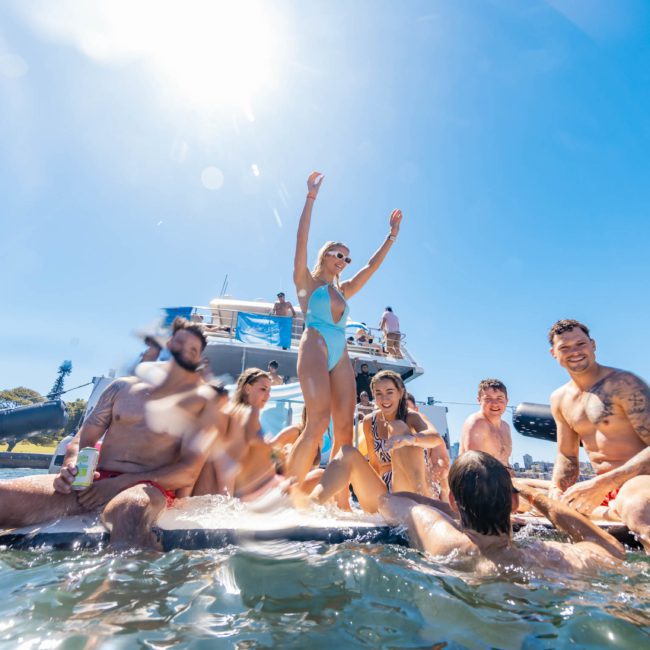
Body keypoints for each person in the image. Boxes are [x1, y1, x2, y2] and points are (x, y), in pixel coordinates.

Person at [0, 318, 227, 548]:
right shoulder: (121, 388)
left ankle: (117, 582)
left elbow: (187, 472)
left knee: (132, 509)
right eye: (180, 344)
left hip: (146, 488)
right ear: (169, 344)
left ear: (197, 359)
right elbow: (82, 439)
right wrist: (70, 468)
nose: (184, 352)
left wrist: (121, 483)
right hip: (92, 485)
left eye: (193, 350)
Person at [287, 171, 403, 486]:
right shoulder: (306, 283)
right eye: (338, 254)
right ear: (324, 255)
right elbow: (302, 239)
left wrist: (391, 236)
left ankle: (338, 497)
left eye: (346, 258)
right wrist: (310, 198)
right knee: (317, 422)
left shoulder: (344, 289)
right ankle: (289, 493)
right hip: (314, 345)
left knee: (344, 429)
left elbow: (371, 267)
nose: (343, 260)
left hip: (341, 354)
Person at [379, 451, 625, 574]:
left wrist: (452, 508)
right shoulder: (547, 558)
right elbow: (612, 549)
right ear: (514, 503)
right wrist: (532, 494)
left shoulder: (440, 539)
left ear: (455, 502)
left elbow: (389, 500)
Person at [547, 319, 650, 551]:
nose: (574, 352)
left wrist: (605, 484)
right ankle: (610, 512)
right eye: (565, 347)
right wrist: (556, 488)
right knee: (524, 498)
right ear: (554, 353)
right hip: (600, 488)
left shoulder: (624, 384)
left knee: (635, 507)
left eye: (580, 344)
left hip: (640, 481)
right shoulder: (560, 399)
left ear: (593, 345)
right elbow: (566, 455)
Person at [301, 370, 445, 513]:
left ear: (400, 393)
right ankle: (311, 505)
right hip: (385, 496)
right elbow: (375, 464)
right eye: (379, 394)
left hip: (412, 493)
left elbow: (435, 437)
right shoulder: (370, 422)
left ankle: (423, 506)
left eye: (390, 392)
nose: (384, 399)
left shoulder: (412, 417)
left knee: (398, 426)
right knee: (347, 451)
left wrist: (409, 439)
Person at [187, 368, 284, 500]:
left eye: (269, 391)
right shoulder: (242, 415)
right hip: (232, 495)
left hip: (231, 494)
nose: (267, 395)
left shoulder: (236, 414)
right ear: (247, 388)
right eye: (263, 389)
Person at [406, 392, 450, 502]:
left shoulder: (430, 436)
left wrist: (434, 471)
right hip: (398, 483)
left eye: (406, 408)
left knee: (443, 475)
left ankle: (447, 506)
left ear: (416, 410)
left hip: (425, 485)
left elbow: (442, 463)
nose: (403, 413)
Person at [459, 379, 512, 468]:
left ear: (507, 401)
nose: (495, 404)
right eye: (488, 399)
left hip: (500, 479)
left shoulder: (505, 427)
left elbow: (505, 463)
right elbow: (473, 466)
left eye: (500, 399)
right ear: (479, 400)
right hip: (477, 479)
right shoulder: (476, 423)